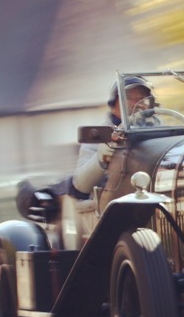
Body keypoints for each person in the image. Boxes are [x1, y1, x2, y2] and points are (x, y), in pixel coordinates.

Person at [15, 75, 154, 220]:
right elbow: (81, 185)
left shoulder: (162, 130)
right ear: (114, 103)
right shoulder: (98, 134)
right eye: (130, 97)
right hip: (113, 211)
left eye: (142, 97)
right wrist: (102, 157)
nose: (137, 102)